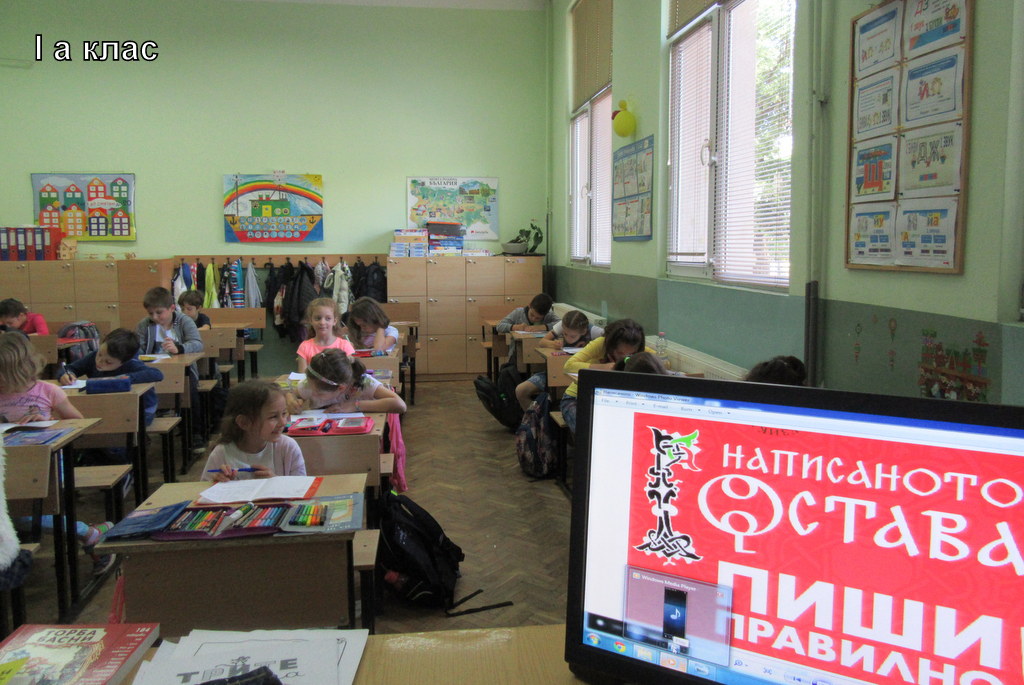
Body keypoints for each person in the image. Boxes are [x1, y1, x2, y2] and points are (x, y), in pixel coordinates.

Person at [0, 332, 111, 574]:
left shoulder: (47, 391)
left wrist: (45, 422)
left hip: (46, 464)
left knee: (23, 516)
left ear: (18, 370)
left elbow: (79, 423)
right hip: (6, 464)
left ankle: (89, 533)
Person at [135, 287, 204, 444]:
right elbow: (138, 348)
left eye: (159, 312)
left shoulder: (184, 321)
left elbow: (197, 344)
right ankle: (141, 432)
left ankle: (194, 433)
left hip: (182, 371)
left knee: (189, 389)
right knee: (137, 390)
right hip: (152, 371)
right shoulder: (144, 325)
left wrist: (179, 348)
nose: (155, 317)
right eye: (151, 313)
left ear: (172, 308)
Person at [201, 380, 306, 482]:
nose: (283, 422)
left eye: (284, 413)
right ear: (244, 423)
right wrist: (217, 483)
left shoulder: (288, 448)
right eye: (273, 417)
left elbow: (302, 489)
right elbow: (202, 490)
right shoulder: (221, 453)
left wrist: (274, 482)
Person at [560, 319, 652, 435]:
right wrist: (603, 367)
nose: (624, 358)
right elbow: (568, 366)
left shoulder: (639, 350)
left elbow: (660, 360)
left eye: (631, 354)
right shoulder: (601, 344)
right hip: (577, 398)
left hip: (615, 401)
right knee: (590, 431)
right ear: (611, 346)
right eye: (620, 353)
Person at [514, 310, 604, 410]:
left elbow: (611, 340)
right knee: (520, 390)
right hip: (557, 371)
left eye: (572, 336)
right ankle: (536, 416)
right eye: (565, 334)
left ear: (583, 331)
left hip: (578, 377)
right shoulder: (563, 324)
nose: (568, 338)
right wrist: (553, 344)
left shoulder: (594, 331)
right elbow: (542, 342)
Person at [288, 349, 406, 415]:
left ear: (341, 388)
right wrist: (291, 401)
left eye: (319, 394)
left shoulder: (363, 383)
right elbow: (292, 393)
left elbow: (400, 405)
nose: (312, 394)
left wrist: (356, 405)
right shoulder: (312, 383)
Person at [296, 298, 355, 373]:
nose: (322, 322)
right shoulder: (304, 347)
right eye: (318, 318)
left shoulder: (344, 346)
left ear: (334, 321)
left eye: (328, 318)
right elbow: (302, 375)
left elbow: (349, 374)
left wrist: (350, 359)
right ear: (311, 320)